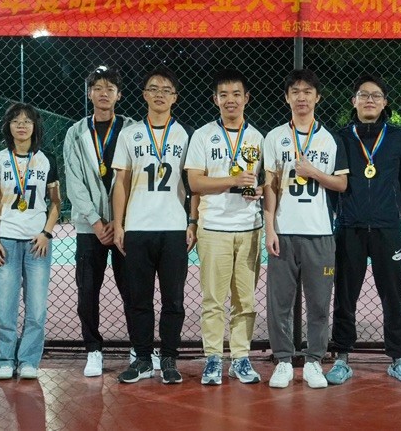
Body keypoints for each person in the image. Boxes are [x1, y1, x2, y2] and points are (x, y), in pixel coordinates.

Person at [326, 74, 401, 385]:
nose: (369, 100)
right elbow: (333, 183)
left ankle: (399, 358)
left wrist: (392, 213)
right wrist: (344, 212)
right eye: (363, 95)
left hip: (387, 228)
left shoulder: (400, 138)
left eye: (376, 95)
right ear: (354, 101)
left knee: (393, 295)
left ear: (385, 103)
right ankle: (341, 358)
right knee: (344, 295)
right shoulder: (340, 137)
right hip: (349, 227)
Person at [263, 69, 348, 389]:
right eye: (295, 91)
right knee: (279, 304)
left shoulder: (330, 139)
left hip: (320, 233)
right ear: (287, 97)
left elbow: (341, 183)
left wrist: (313, 172)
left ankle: (314, 361)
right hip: (284, 232)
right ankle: (283, 361)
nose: (301, 97)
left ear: (317, 97)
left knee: (318, 304)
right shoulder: (275, 137)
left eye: (308, 91)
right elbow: (270, 185)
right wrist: (269, 229)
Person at [112, 67, 197, 385]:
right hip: (138, 226)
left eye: (166, 89)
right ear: (144, 94)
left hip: (174, 227)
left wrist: (192, 220)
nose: (160, 94)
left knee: (173, 299)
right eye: (154, 88)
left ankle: (169, 358)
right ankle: (143, 359)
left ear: (175, 97)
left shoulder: (185, 135)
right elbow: (121, 182)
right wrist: (119, 224)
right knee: (139, 299)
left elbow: (194, 183)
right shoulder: (130, 134)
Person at [63, 66, 150, 377]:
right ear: (90, 93)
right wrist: (97, 221)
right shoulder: (75, 132)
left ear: (119, 95)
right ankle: (93, 349)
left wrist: (119, 220)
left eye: (109, 88)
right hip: (90, 228)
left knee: (134, 290)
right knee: (87, 291)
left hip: (126, 225)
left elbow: (139, 176)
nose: (103, 93)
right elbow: (73, 181)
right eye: (98, 88)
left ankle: (139, 348)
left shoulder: (133, 129)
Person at [185, 69, 265, 385]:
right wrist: (232, 180)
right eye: (224, 95)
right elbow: (195, 182)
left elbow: (264, 182)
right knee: (214, 300)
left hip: (249, 227)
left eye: (236, 94)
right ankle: (213, 359)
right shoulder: (203, 136)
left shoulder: (257, 138)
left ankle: (241, 358)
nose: (230, 100)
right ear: (215, 99)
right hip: (214, 227)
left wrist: (258, 190)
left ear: (246, 98)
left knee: (246, 300)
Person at [0, 103, 61, 380]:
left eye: (27, 121)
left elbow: (56, 203)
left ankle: (29, 359)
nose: (21, 125)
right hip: (6, 239)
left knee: (37, 307)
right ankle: (5, 360)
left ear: (35, 126)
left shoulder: (47, 159)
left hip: (36, 242)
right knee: (5, 306)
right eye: (16, 120)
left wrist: (46, 233)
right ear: (8, 126)